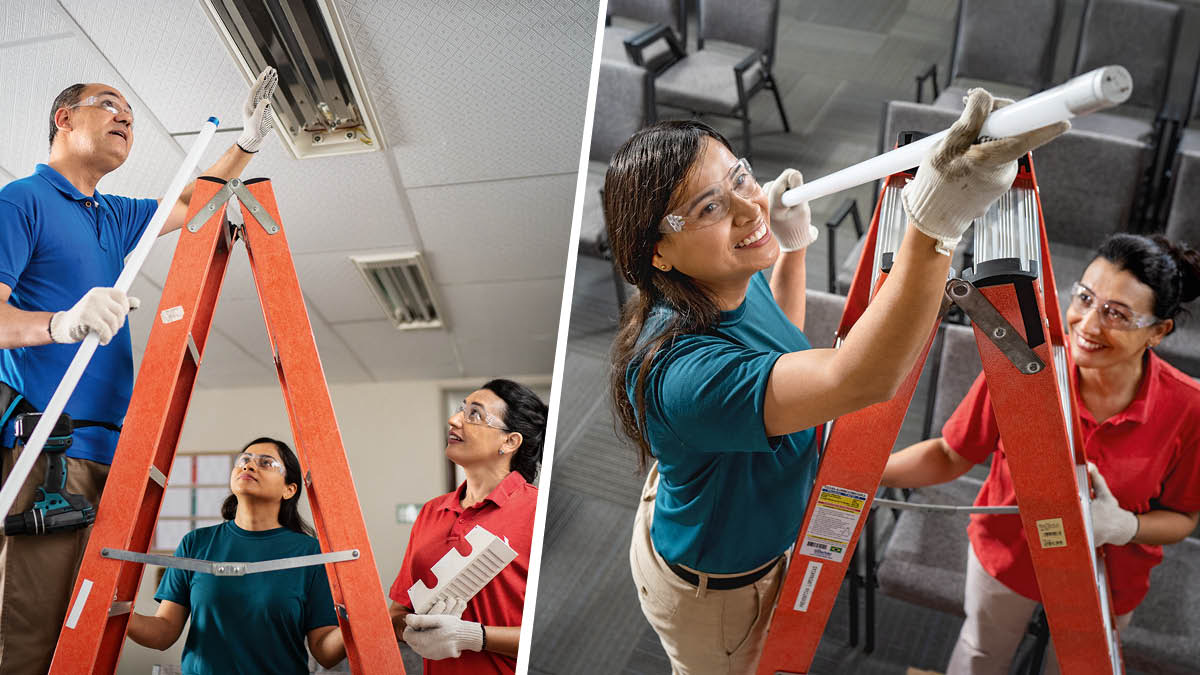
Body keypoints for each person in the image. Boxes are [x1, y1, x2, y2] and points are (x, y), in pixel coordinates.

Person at [603, 90, 1068, 674]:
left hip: (707, 506)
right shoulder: (683, 375)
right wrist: (935, 226)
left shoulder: (718, 285)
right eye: (709, 210)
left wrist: (789, 255)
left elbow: (780, 349)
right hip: (715, 588)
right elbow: (859, 379)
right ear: (658, 252)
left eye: (741, 179)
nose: (750, 210)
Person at [0, 69, 278, 673]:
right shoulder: (21, 200)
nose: (124, 116)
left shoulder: (115, 214)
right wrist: (59, 324)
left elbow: (189, 202)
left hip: (110, 454)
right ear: (63, 119)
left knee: (83, 633)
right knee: (31, 640)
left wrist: (247, 142)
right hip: (48, 449)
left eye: (130, 111)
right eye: (107, 104)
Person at [881, 233, 1200, 675]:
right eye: (1085, 298)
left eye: (1117, 314)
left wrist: (1127, 526)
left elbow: (1183, 519)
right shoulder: (1024, 364)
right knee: (980, 653)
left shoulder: (1189, 409)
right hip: (1010, 557)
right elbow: (949, 455)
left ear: (1159, 332)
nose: (1088, 325)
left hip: (1108, 577)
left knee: (1075, 667)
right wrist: (863, 472)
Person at [127, 437, 346, 673]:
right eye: (244, 460)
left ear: (289, 489)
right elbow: (163, 632)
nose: (248, 466)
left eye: (266, 463)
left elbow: (324, 651)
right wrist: (112, 611)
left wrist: (363, 621)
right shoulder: (196, 543)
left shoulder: (310, 553)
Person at [388, 379, 547, 674]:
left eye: (474, 414)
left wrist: (474, 636)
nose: (454, 420)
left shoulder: (540, 510)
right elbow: (399, 609)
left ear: (509, 441)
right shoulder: (431, 511)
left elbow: (562, 634)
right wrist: (409, 631)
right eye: (461, 410)